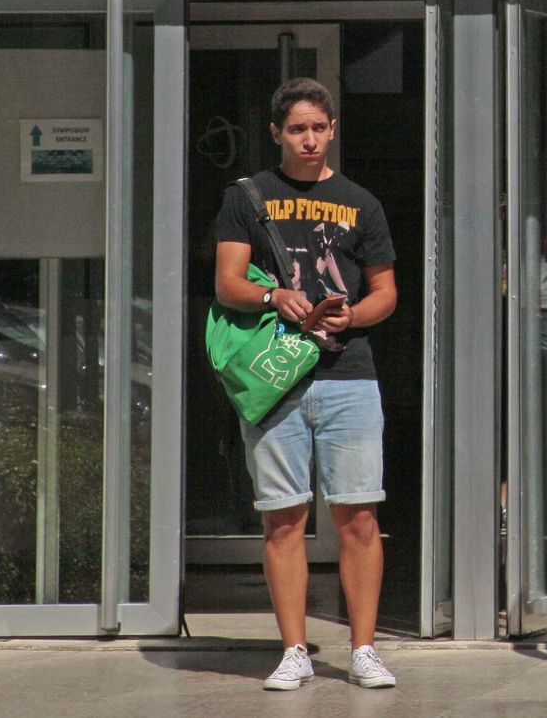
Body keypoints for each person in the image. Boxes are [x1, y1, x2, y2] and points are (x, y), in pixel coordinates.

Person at [213, 77, 398, 693]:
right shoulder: (248, 197)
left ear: (333, 129)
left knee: (359, 516)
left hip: (349, 374)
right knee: (283, 519)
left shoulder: (360, 203)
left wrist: (354, 315)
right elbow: (227, 284)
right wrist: (275, 294)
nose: (310, 139)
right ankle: (294, 649)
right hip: (275, 377)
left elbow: (386, 292)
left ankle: (364, 649)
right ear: (276, 134)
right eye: (297, 129)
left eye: (319, 127)